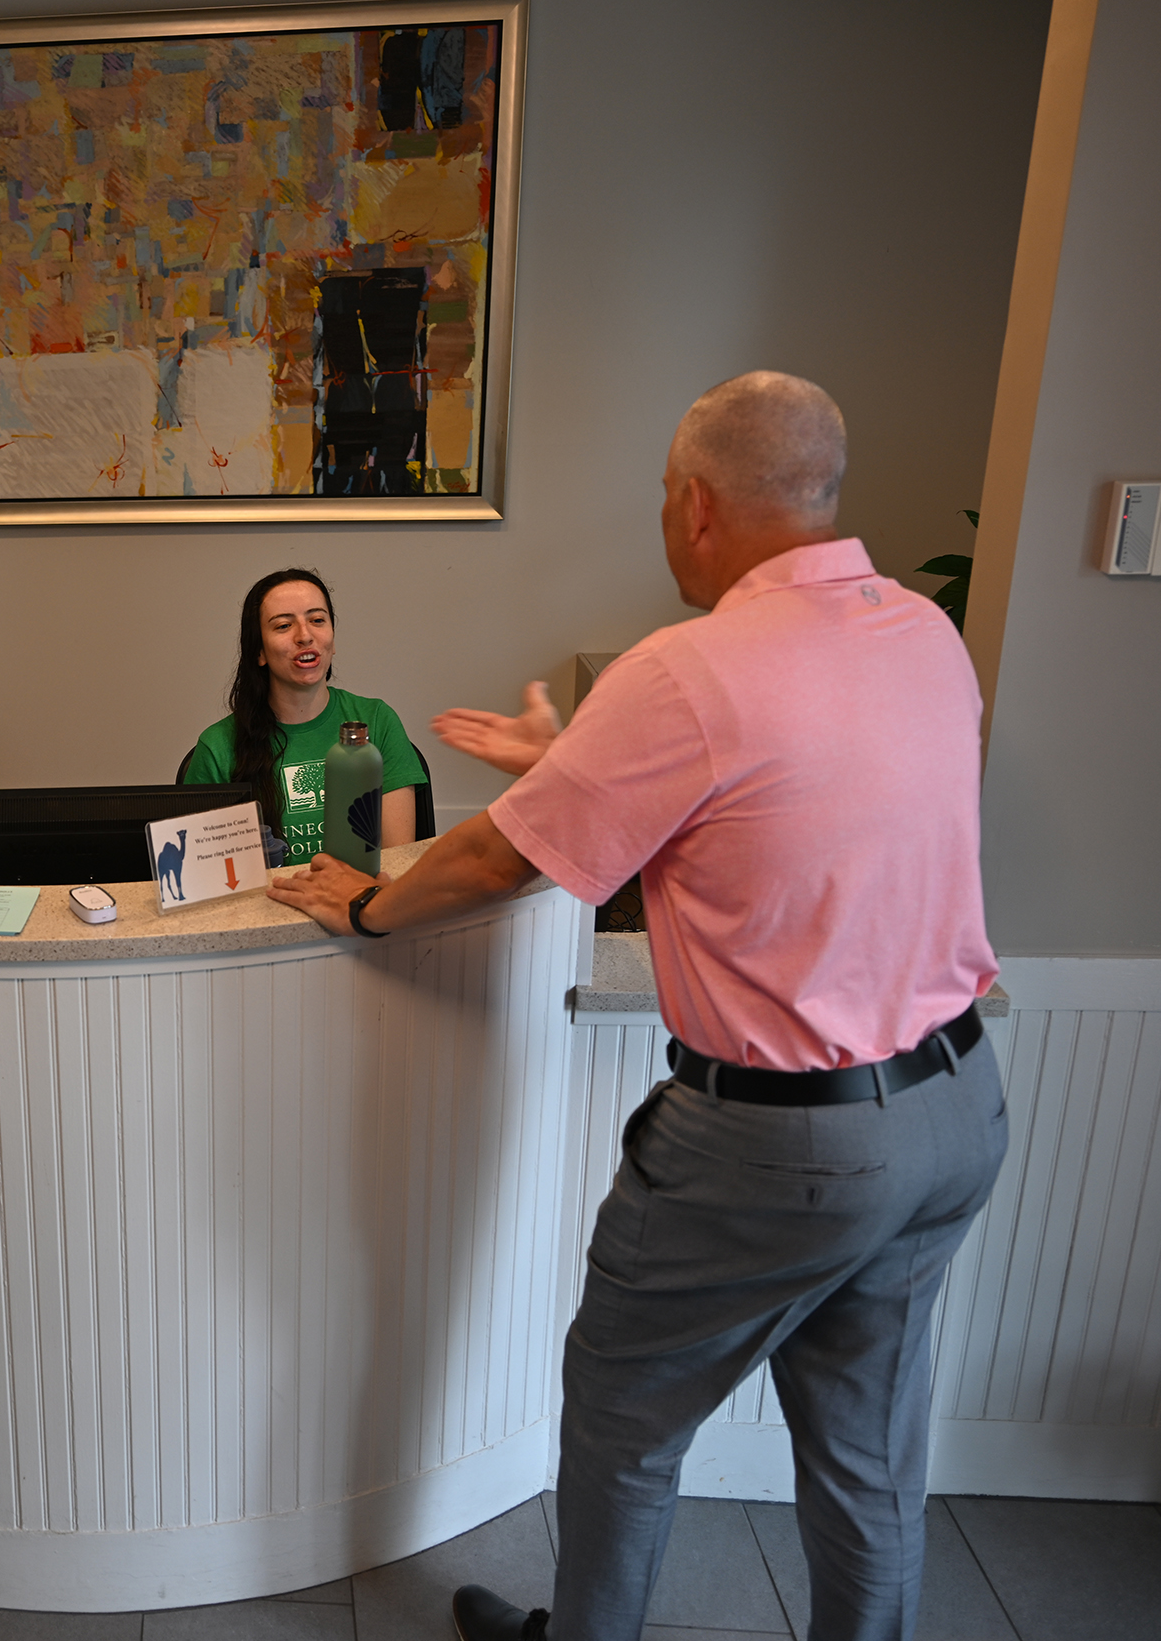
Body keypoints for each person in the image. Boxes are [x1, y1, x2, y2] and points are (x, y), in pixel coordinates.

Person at [268, 373, 1005, 1641]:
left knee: (625, 1417)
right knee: (868, 1452)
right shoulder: (925, 635)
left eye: (665, 499)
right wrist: (576, 763)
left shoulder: (689, 669)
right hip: (953, 1108)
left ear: (697, 504)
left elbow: (500, 858)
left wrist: (366, 908)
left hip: (780, 1145)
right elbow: (791, 805)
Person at [180, 567, 427, 863]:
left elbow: (396, 862)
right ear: (259, 651)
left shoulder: (376, 720)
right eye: (284, 626)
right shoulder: (217, 746)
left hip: (358, 903)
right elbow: (206, 876)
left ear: (332, 641)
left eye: (317, 620)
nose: (305, 636)